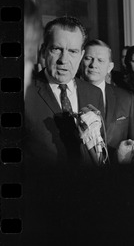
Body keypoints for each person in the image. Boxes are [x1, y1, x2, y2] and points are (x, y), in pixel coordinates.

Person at [24, 16, 105, 171]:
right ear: (43, 51)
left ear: (81, 55)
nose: (64, 60)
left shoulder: (94, 93)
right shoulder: (25, 94)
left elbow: (96, 150)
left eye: (73, 51)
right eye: (56, 49)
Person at [81, 39, 134, 164]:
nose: (93, 65)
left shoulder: (126, 98)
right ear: (80, 61)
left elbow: (133, 146)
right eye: (88, 58)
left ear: (110, 67)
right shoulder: (69, 95)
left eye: (100, 60)